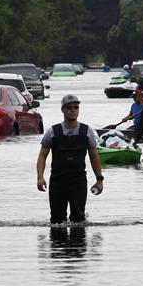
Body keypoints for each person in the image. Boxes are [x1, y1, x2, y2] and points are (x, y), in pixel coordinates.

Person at [36, 94, 104, 224]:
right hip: (57, 180)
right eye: (69, 108)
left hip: (78, 181)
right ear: (63, 110)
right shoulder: (53, 132)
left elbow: (94, 156)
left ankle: (78, 243)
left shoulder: (87, 131)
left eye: (76, 107)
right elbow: (42, 156)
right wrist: (40, 177)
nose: (73, 110)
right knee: (57, 220)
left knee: (78, 219)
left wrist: (99, 179)